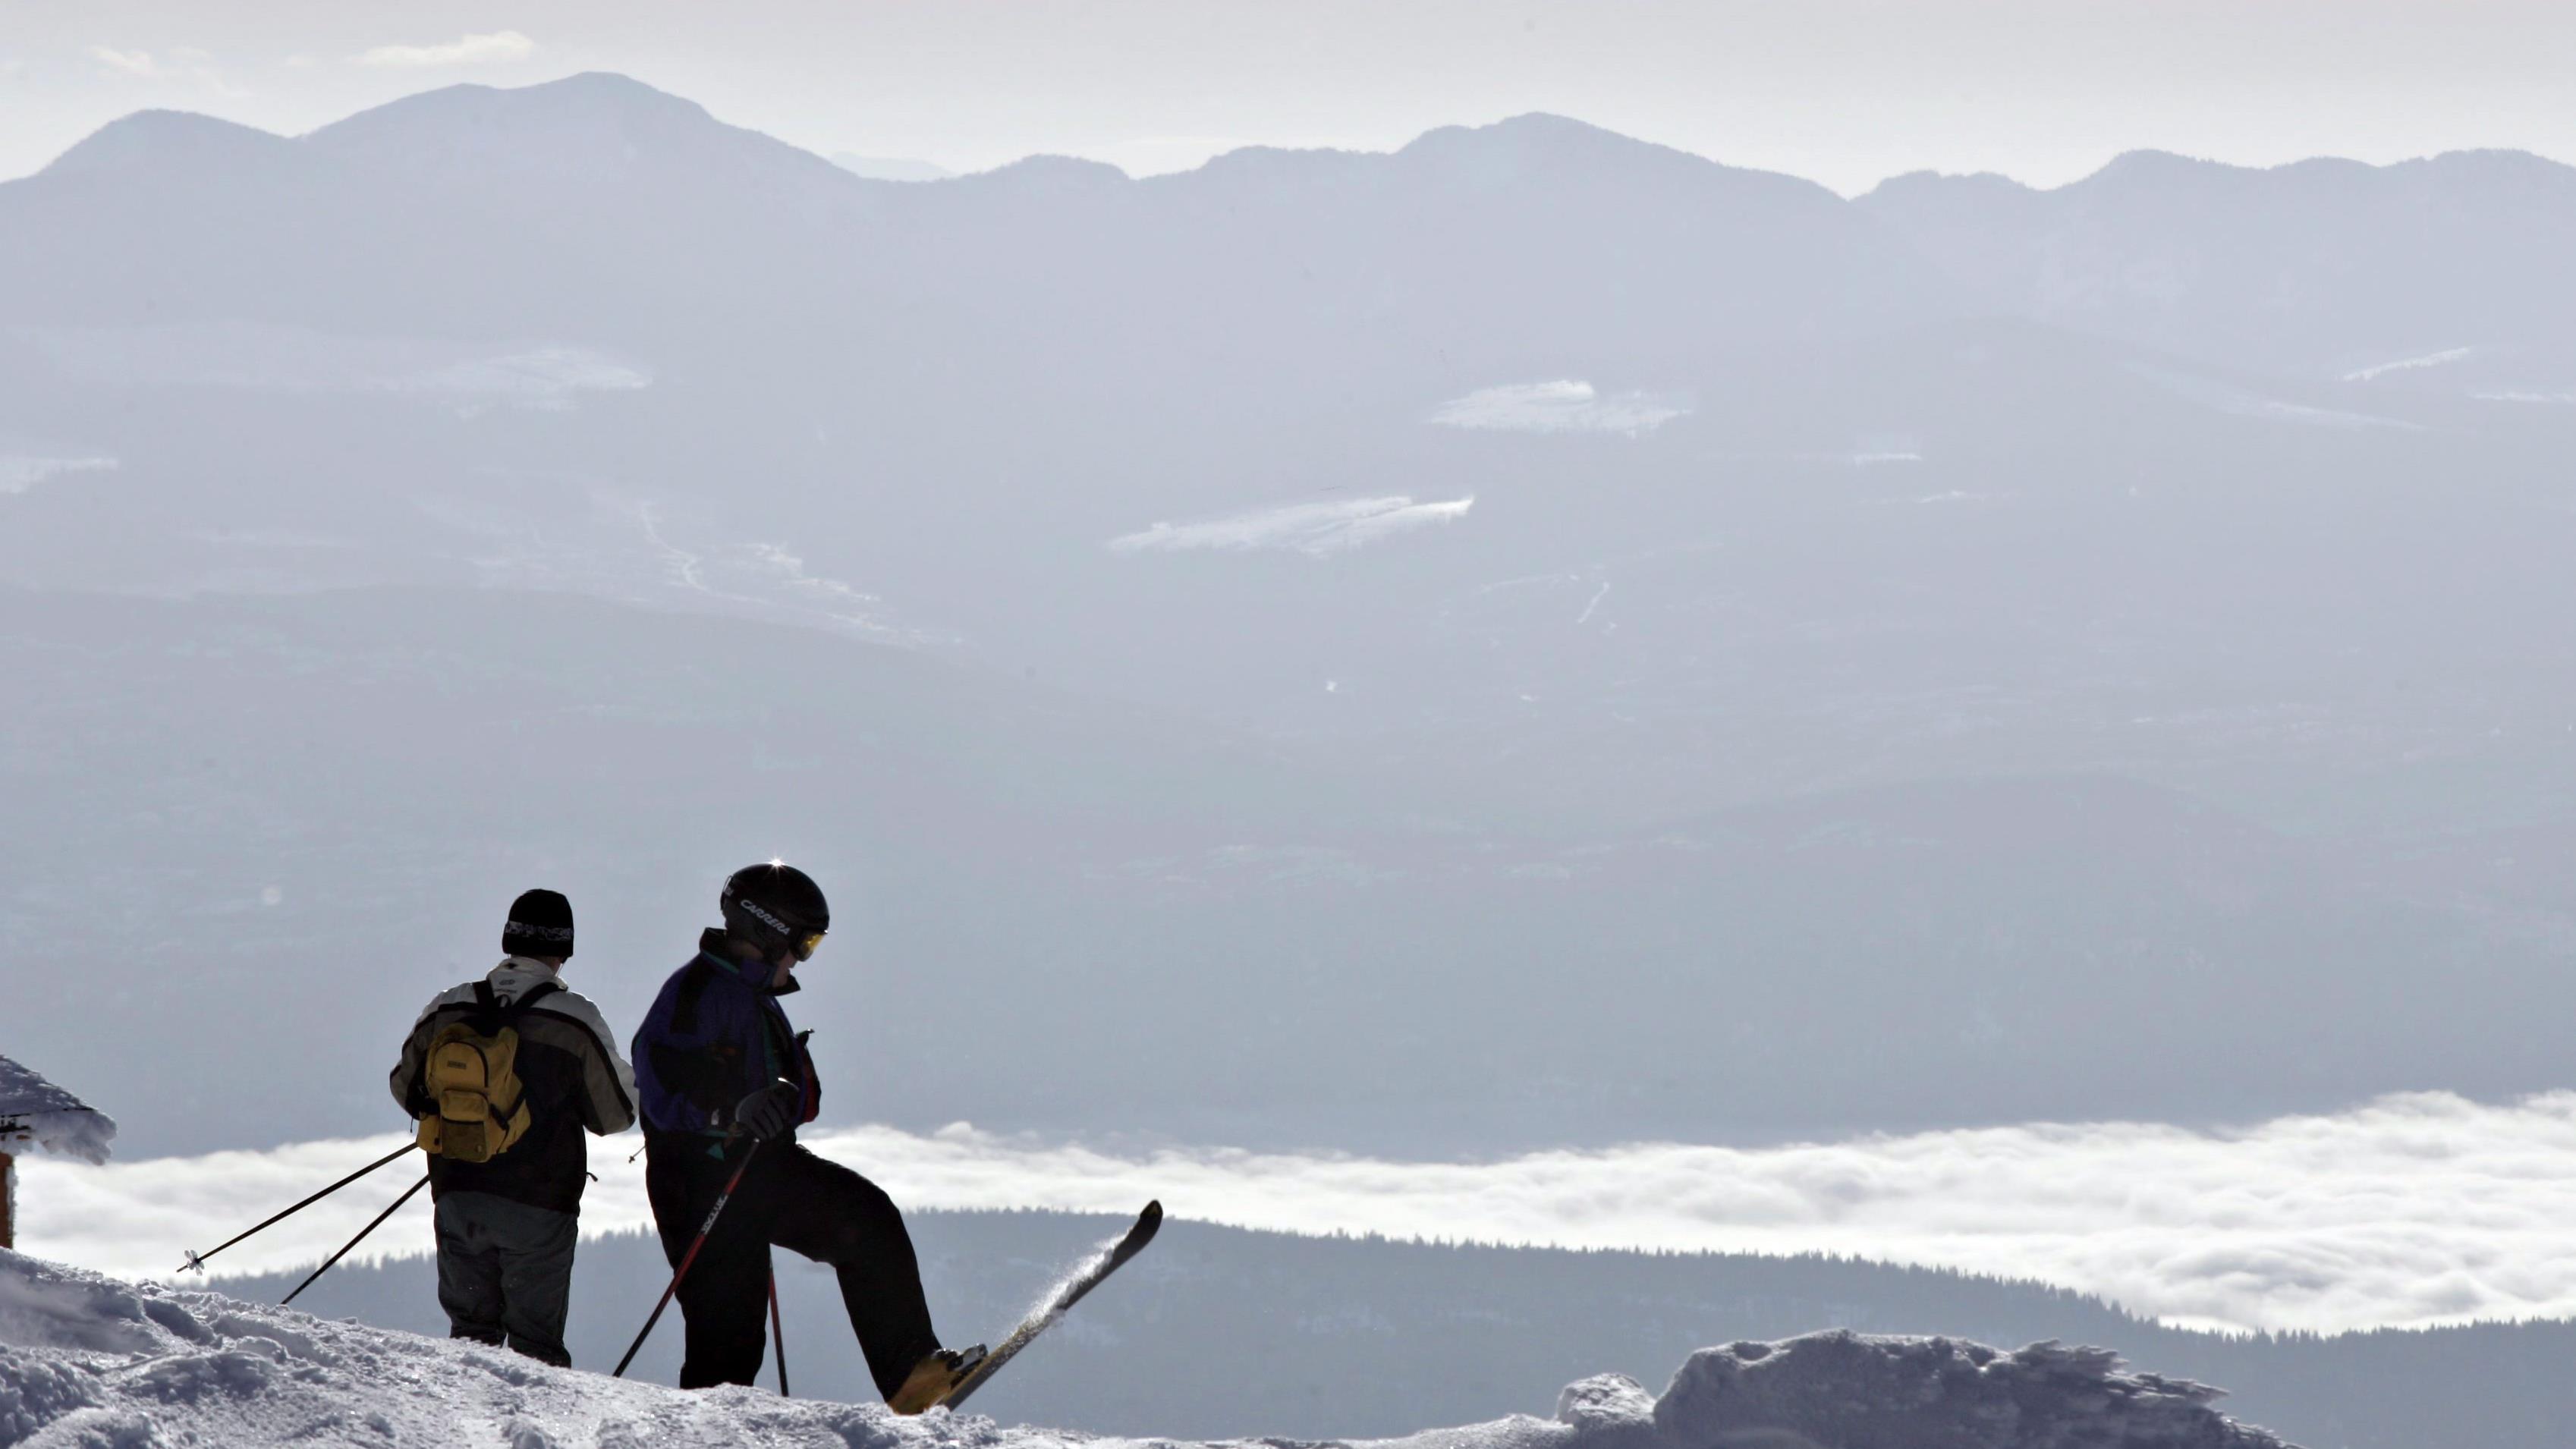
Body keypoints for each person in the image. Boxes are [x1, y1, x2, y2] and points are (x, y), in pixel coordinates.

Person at [631, 861, 979, 1410]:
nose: (802, 957)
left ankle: (912, 1376)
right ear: (767, 931)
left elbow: (791, 1098)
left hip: (758, 1168)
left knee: (865, 1219)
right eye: (804, 942)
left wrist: (782, 1096)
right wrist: (731, 1113)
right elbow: (658, 1085)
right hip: (697, 1183)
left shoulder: (757, 1000)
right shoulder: (697, 991)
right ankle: (704, 1432)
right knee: (728, 1338)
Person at [389, 888, 637, 1367]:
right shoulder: (576, 1019)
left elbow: (406, 1090)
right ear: (565, 950)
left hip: (457, 1194)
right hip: (539, 1207)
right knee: (536, 1353)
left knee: (470, 1340)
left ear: (508, 939)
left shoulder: (449, 1007)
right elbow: (616, 1115)